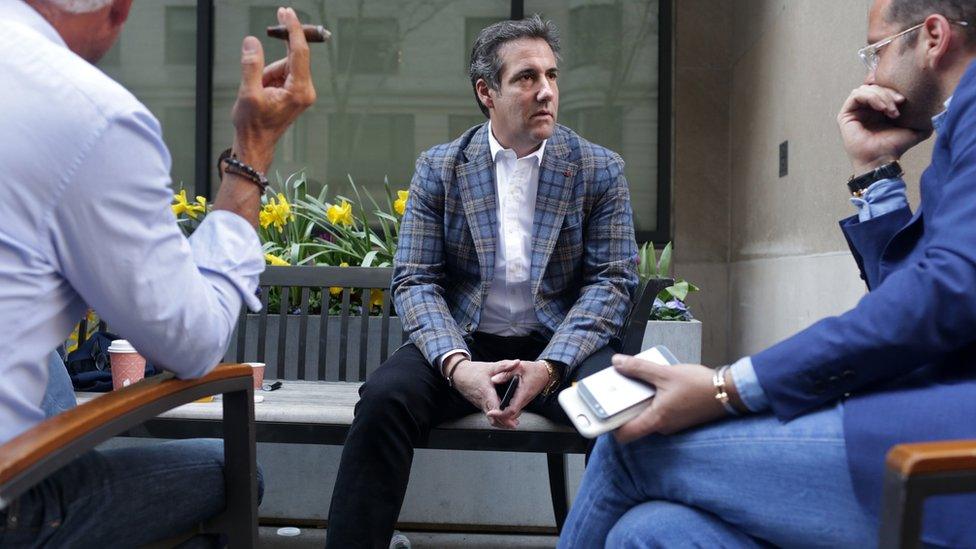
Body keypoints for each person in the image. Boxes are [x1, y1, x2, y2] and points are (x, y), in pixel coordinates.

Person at [559, 0, 976, 547]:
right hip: (929, 417)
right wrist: (874, 174)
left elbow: (943, 292)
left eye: (874, 52)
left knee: (628, 449)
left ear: (933, 38)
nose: (868, 76)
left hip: (946, 447)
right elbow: (920, 299)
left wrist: (725, 388)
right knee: (651, 533)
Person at [0, 0, 315, 545]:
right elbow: (188, 344)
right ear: (119, 11)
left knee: (45, 368)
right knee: (232, 472)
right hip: (12, 500)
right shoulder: (91, 115)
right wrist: (251, 156)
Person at [325, 15, 639, 548]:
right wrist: (456, 365)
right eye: (525, 77)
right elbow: (416, 280)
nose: (545, 91)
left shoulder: (597, 168)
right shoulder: (441, 167)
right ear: (485, 92)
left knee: (620, 401)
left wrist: (551, 365)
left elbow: (611, 281)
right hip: (465, 342)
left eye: (552, 75)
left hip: (558, 345)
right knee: (383, 399)